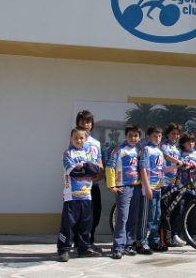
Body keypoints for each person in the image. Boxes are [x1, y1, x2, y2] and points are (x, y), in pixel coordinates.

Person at [57, 127, 102, 262]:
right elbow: (72, 171)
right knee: (68, 224)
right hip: (71, 195)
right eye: (76, 137)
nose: (78, 140)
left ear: (85, 139)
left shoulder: (88, 153)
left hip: (86, 196)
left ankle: (83, 248)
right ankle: (64, 250)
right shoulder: (67, 153)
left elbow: (96, 170)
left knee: (85, 224)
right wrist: (86, 169)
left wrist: (83, 166)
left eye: (81, 138)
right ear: (71, 138)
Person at [105, 125, 143, 259]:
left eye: (136, 136)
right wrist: (112, 185)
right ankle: (117, 247)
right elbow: (110, 166)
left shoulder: (139, 151)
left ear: (139, 137)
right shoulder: (118, 150)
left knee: (133, 218)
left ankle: (129, 245)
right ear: (126, 136)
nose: (133, 138)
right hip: (123, 188)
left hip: (136, 188)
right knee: (122, 218)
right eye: (130, 135)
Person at [75, 110, 103, 251]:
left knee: (95, 213)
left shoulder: (96, 143)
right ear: (78, 123)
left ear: (92, 124)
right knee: (79, 215)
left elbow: (99, 160)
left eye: (88, 121)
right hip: (79, 185)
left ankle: (89, 240)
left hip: (94, 184)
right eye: (82, 121)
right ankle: (79, 243)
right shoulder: (76, 139)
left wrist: (101, 172)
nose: (85, 124)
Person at [138, 125, 167, 254]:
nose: (157, 138)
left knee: (157, 216)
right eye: (155, 136)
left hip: (158, 188)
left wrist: (177, 166)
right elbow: (143, 168)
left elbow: (162, 169)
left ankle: (154, 242)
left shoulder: (160, 151)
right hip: (148, 189)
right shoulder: (146, 149)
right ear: (148, 136)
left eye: (160, 136)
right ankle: (142, 243)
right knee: (147, 217)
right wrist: (147, 187)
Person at [176, 132, 196, 241]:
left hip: (194, 187)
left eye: (193, 142)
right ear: (183, 144)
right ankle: (178, 235)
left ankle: (192, 235)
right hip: (182, 188)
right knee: (180, 211)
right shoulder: (180, 154)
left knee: (193, 213)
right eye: (188, 142)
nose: (191, 144)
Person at [160, 123, 186, 247]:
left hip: (175, 183)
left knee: (178, 209)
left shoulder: (178, 149)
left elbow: (180, 164)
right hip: (163, 182)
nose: (175, 136)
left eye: (177, 134)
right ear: (167, 134)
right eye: (172, 133)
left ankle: (173, 235)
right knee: (165, 212)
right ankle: (165, 239)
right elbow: (166, 156)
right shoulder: (163, 146)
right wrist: (178, 162)